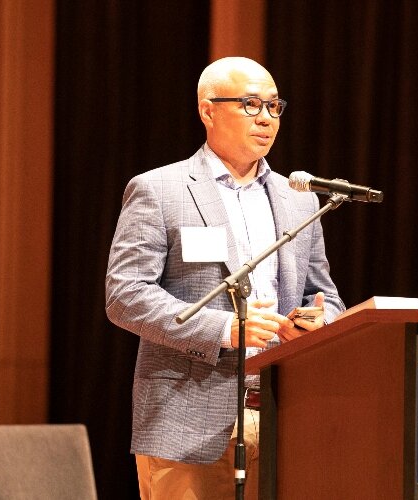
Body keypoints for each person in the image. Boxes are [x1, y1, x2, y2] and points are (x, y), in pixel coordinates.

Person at [105, 56, 345, 499]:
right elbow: (126, 295)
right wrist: (222, 330)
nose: (266, 119)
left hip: (281, 416)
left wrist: (317, 320)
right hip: (188, 422)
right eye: (251, 104)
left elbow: (323, 295)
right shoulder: (160, 190)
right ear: (207, 110)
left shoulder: (300, 202)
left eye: (274, 106)